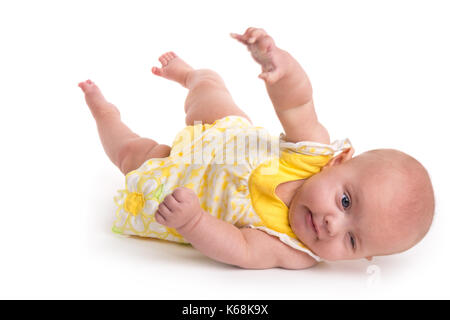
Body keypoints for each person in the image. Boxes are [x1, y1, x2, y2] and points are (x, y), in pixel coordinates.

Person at [79, 27, 434, 269]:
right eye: (345, 202)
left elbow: (241, 249)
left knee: (129, 156)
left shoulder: (294, 250)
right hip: (226, 133)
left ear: (362, 258)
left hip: (180, 184)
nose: (331, 225)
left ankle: (104, 114)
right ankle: (193, 76)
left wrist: (193, 221)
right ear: (339, 162)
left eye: (353, 240)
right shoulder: (313, 155)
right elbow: (296, 106)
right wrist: (280, 69)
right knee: (209, 93)